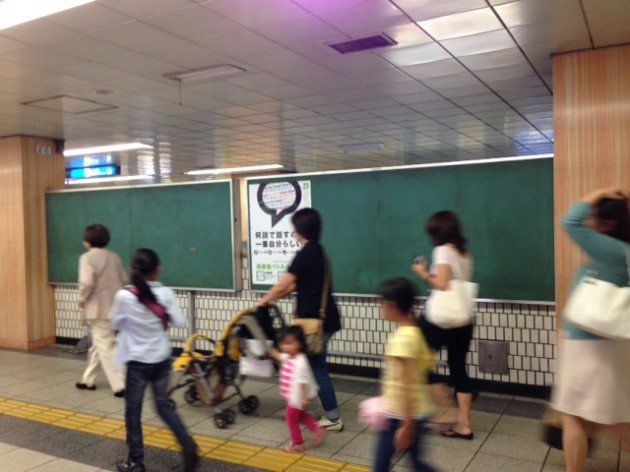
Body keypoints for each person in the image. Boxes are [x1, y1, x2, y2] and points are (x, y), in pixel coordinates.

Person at [553, 188, 630, 472]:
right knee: (613, 418)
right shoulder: (621, 251)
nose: (589, 222)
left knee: (575, 414)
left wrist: (599, 193)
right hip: (602, 345)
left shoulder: (613, 250)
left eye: (594, 217)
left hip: (589, 345)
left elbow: (569, 222)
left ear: (608, 224)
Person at [111, 248, 198, 472]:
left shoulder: (124, 297)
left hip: (138, 362)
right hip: (161, 358)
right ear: (158, 269)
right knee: (163, 407)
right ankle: (187, 445)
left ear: (133, 269)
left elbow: (115, 324)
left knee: (133, 410)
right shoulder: (166, 294)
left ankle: (135, 461)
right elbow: (179, 322)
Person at [256, 208, 343, 432]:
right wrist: (272, 300)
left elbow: (285, 283)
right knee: (310, 366)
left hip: (316, 323)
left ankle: (333, 417)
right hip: (322, 319)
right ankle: (306, 405)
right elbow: (294, 286)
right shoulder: (318, 251)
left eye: (295, 228)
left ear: (301, 230)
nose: (293, 232)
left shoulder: (306, 253)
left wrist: (264, 301)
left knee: (317, 369)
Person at [412, 210, 475, 439]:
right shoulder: (465, 255)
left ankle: (444, 411)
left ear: (439, 232)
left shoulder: (441, 251)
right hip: (464, 318)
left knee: (421, 359)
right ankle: (464, 424)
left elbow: (441, 283)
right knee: (459, 369)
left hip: (440, 319)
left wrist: (422, 273)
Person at [374, 278, 436, 472]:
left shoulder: (402, 340)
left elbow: (407, 384)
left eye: (381, 302)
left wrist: (407, 425)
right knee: (416, 462)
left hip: (402, 415)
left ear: (391, 305)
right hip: (416, 411)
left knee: (381, 464)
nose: (379, 307)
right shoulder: (415, 331)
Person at [75, 223, 126, 396]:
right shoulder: (115, 257)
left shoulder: (87, 258)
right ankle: (88, 380)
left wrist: (82, 298)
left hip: (98, 310)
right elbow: (124, 279)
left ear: (87, 242)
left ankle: (121, 385)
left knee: (105, 346)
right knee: (99, 344)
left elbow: (87, 283)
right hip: (116, 308)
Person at [268, 326, 327, 453]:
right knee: (300, 416)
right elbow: (281, 356)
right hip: (296, 395)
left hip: (299, 396)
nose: (286, 347)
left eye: (290, 343)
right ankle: (317, 429)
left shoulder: (300, 362)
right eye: (284, 343)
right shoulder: (290, 356)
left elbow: (303, 383)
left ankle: (297, 443)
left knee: (291, 419)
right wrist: (273, 353)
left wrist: (304, 399)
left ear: (300, 344)